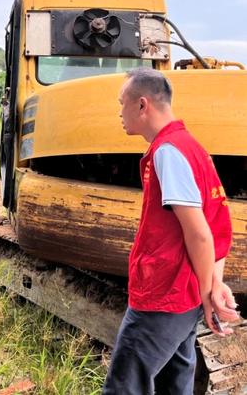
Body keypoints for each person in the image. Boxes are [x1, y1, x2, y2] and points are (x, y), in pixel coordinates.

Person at [103, 67, 238, 394]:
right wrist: (210, 286)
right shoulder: (192, 147)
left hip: (165, 294)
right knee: (173, 382)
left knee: (125, 385)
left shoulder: (168, 152)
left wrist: (210, 294)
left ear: (142, 105)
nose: (119, 112)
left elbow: (200, 233)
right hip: (185, 293)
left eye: (122, 103)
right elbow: (218, 224)